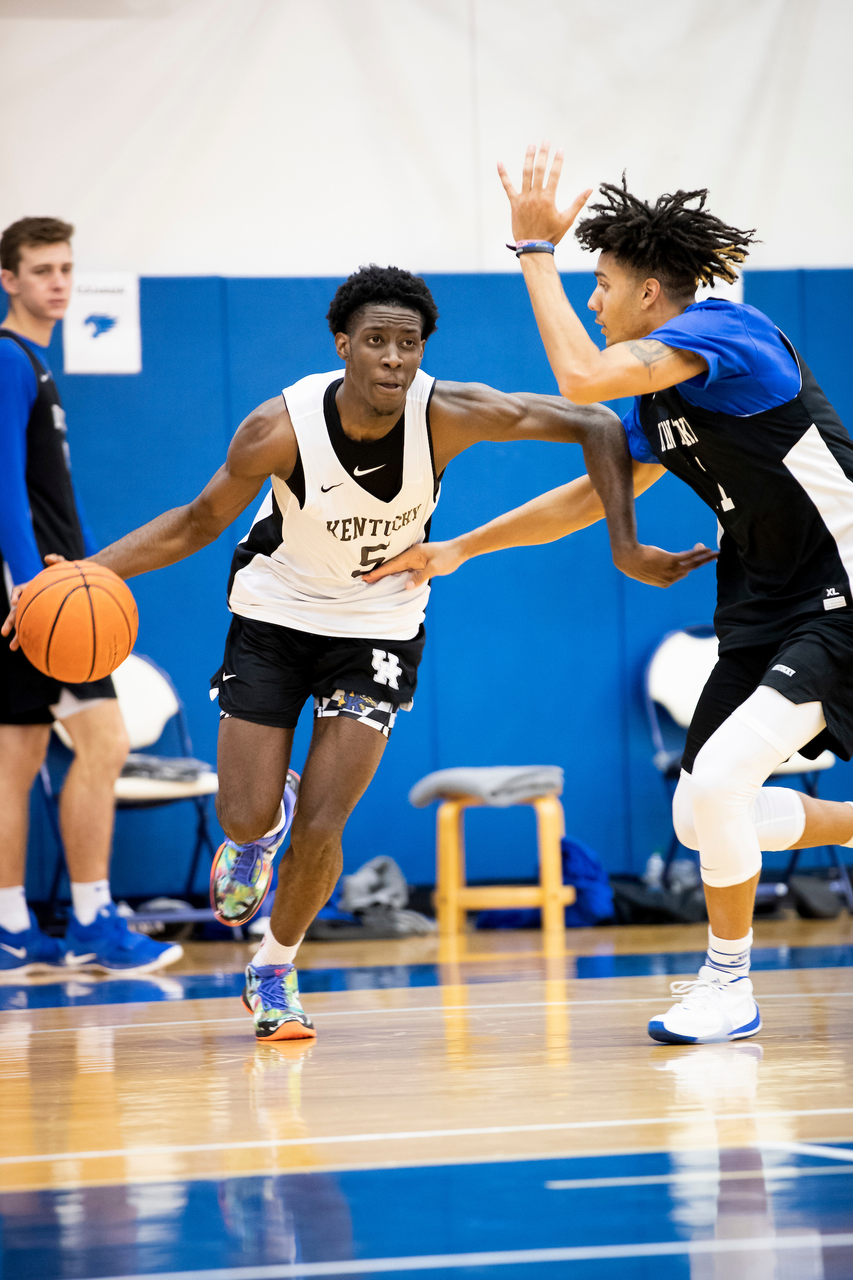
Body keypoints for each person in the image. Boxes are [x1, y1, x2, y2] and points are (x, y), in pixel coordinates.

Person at [5, 263, 709, 1040]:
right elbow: (197, 521)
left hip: (377, 624)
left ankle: (274, 969)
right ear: (343, 344)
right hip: (274, 616)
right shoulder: (277, 428)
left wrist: (623, 543)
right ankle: (253, 839)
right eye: (375, 341)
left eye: (408, 344)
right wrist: (87, 571)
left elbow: (600, 424)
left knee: (324, 822)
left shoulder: (450, 413)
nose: (393, 359)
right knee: (244, 815)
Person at [367, 147, 853, 1046]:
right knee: (698, 811)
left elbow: (580, 380)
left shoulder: (732, 337)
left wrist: (532, 251)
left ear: (648, 295)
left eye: (602, 284)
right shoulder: (664, 395)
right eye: (583, 283)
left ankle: (728, 984)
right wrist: (461, 549)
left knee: (719, 781)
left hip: (841, 594)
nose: (591, 300)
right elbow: (591, 497)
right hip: (760, 604)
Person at [0, 216, 182, 977]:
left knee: (17, 755)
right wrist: (27, 586)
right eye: (42, 270)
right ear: (9, 279)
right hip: (38, 594)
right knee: (102, 741)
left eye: (67, 268)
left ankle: (11, 928)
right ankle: (90, 917)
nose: (59, 282)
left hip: (37, 588)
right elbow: (4, 480)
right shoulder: (10, 358)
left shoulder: (32, 361)